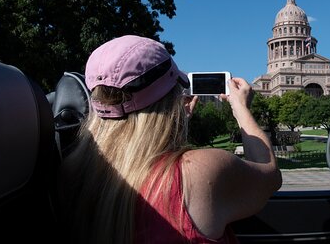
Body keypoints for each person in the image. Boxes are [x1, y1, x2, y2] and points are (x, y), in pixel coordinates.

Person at [59, 35, 282, 244]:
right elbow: (269, 175)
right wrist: (241, 109)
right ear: (171, 99)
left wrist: (174, 125)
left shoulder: (70, 170)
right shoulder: (198, 171)